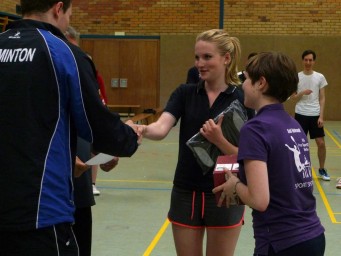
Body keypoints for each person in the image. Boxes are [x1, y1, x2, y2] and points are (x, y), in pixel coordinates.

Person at [0, 1, 139, 255]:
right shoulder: (64, 54)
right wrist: (129, 136)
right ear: (58, 8)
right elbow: (99, 128)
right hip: (41, 214)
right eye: (70, 16)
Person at [138, 29, 247, 256]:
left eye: (207, 57)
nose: (200, 63)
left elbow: (248, 154)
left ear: (226, 58)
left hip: (225, 189)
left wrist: (219, 139)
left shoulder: (242, 98)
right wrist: (143, 129)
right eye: (197, 57)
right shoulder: (185, 93)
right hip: (186, 190)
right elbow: (161, 128)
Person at [213, 52, 325, 256]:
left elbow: (259, 200)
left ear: (261, 83)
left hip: (281, 242)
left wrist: (234, 184)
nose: (243, 85)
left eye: (246, 79)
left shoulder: (255, 128)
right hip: (313, 236)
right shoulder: (293, 124)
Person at [65, 25, 119, 256]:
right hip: (50, 189)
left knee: (81, 242)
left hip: (80, 187)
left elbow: (95, 116)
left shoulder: (86, 72)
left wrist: (107, 148)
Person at [293, 50, 329, 181]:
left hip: (315, 114)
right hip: (300, 114)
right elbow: (294, 98)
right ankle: (300, 170)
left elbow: (322, 98)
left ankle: (322, 168)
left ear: (314, 61)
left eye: (310, 60)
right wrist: (302, 92)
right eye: (306, 60)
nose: (308, 62)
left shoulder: (320, 77)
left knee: (321, 143)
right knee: (300, 145)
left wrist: (321, 116)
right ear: (302, 61)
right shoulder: (297, 77)